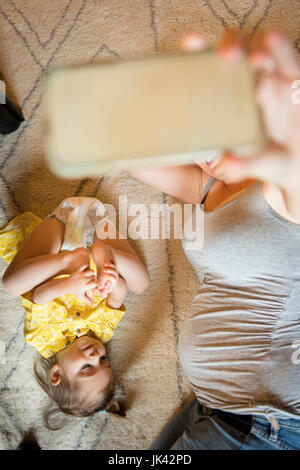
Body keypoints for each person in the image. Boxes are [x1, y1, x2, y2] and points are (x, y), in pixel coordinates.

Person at [130, 30, 300, 449]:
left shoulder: (281, 191)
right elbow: (131, 157)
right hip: (230, 410)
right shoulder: (208, 186)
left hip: (265, 421)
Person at [0, 197, 150, 428]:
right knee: (140, 285)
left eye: (87, 368)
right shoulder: (101, 331)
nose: (95, 356)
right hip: (98, 234)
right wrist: (110, 281)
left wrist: (69, 282)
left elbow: (39, 296)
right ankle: (108, 251)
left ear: (57, 374)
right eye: (103, 360)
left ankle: (67, 260)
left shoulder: (44, 340)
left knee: (12, 285)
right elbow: (119, 295)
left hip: (57, 241)